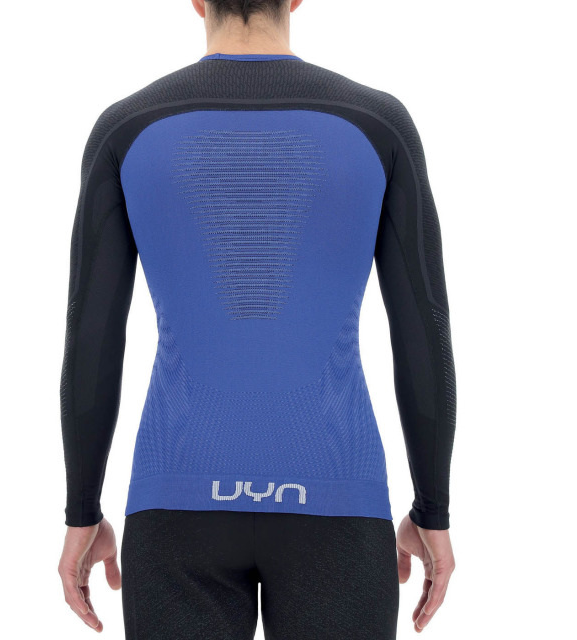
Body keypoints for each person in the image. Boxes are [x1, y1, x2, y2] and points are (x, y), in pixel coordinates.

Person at [57, 1, 457, 637]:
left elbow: (92, 337)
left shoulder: (128, 127)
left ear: (196, 0)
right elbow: (424, 331)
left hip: (176, 502)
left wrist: (83, 509)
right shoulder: (376, 123)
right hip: (337, 495)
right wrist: (431, 509)